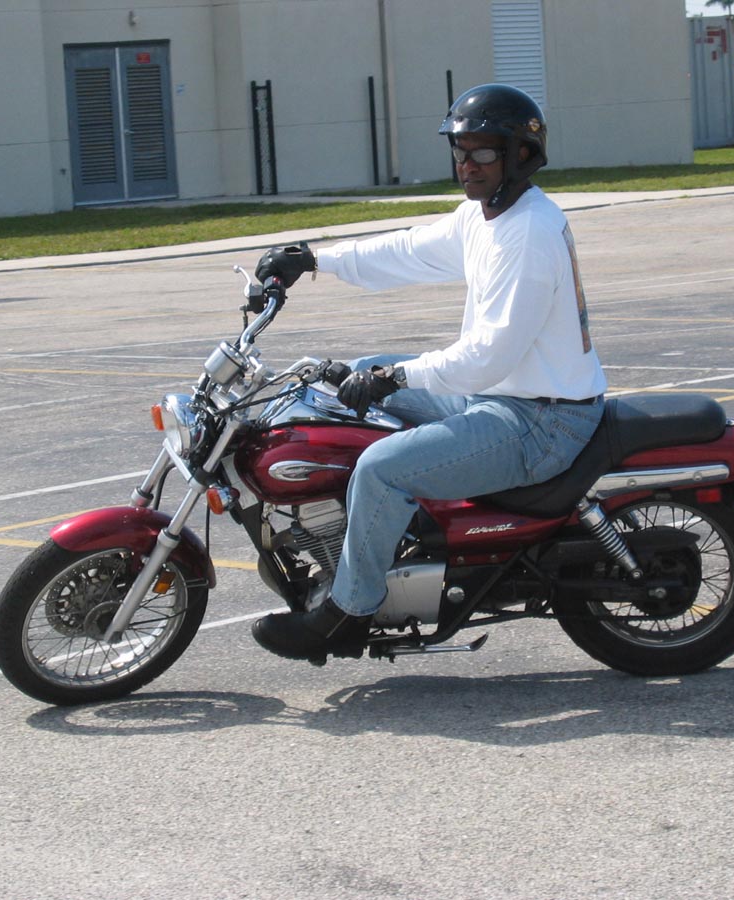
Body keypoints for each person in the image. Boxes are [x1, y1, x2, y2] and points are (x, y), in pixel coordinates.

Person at [250, 83, 607, 664]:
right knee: (348, 383)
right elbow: (409, 250)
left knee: (381, 467)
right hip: (501, 398)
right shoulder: (486, 216)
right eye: (460, 150)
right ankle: (384, 543)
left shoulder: (529, 235)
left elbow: (487, 355)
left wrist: (397, 377)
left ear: (521, 154)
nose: (467, 163)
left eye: (482, 151)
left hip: (540, 421)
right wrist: (315, 258)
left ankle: (348, 612)